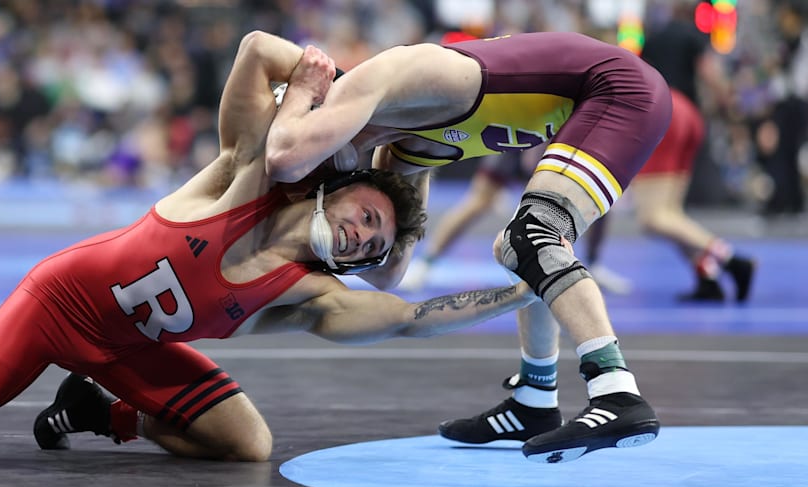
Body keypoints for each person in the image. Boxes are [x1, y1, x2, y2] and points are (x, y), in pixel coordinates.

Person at [0, 31, 537, 463]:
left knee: (247, 444)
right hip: (57, 307)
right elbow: (256, 50)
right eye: (366, 214)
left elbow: (409, 317)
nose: (362, 234)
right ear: (335, 189)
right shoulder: (248, 174)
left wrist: (526, 287)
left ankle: (95, 411)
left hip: (132, 350)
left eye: (373, 242)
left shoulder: (311, 295)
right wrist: (318, 87)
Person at [267, 32, 670, 463]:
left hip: (618, 89)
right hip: (600, 103)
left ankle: (616, 392)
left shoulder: (389, 76)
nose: (314, 180)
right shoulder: (407, 147)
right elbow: (389, 273)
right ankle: (535, 400)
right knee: (516, 250)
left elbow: (282, 158)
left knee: (532, 237)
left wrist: (301, 93)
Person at [630, 3, 755, 302]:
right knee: (671, 214)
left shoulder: (654, 36)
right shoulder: (695, 36)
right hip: (690, 115)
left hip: (666, 111)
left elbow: (639, 76)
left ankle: (731, 260)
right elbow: (711, 73)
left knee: (652, 217)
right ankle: (706, 276)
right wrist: (730, 106)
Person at [398, 144, 633, 296]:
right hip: (525, 133)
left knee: (596, 198)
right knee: (480, 200)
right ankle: (426, 263)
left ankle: (594, 264)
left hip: (565, 138)